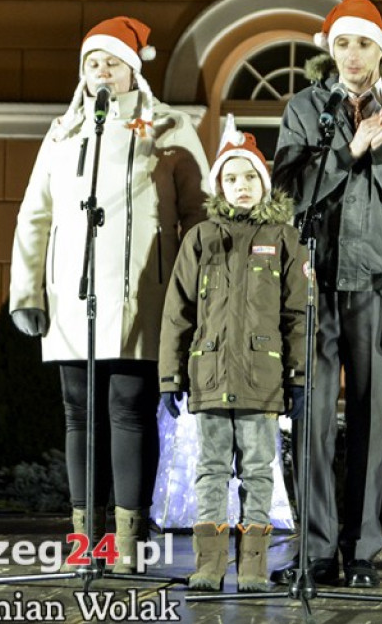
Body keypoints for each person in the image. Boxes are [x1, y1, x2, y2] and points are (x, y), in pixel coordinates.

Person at [9, 16, 211, 573]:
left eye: (113, 62)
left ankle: (128, 540)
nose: (102, 71)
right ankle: (84, 540)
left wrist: (194, 295)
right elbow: (35, 215)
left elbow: (199, 214)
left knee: (129, 409)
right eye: (93, 63)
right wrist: (27, 291)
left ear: (133, 70)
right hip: (72, 298)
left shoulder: (168, 126)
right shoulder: (64, 131)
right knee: (79, 414)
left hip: (142, 296)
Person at [271, 0, 382, 588]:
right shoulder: (304, 106)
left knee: (371, 419)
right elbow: (290, 192)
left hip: (376, 280)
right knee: (312, 418)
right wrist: (351, 149)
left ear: (381, 50)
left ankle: (362, 552)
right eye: (342, 43)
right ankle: (316, 550)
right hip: (314, 281)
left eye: (363, 43)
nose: (351, 55)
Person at [158, 117, 309, 591]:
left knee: (259, 472)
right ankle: (208, 564)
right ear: (219, 184)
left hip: (261, 382)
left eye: (249, 177)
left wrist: (300, 377)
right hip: (209, 376)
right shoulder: (200, 239)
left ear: (263, 184)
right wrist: (170, 377)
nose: (240, 186)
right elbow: (176, 313)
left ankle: (254, 566)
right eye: (231, 177)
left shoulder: (283, 239)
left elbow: (300, 316)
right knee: (210, 471)